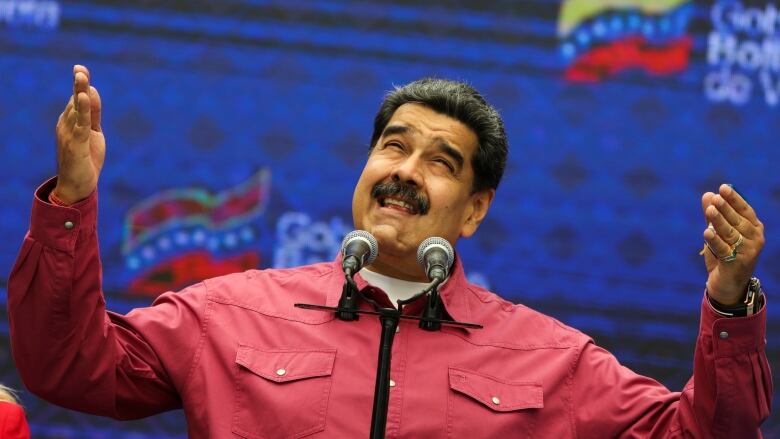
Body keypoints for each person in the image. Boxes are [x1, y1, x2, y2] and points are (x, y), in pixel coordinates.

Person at [7, 65, 771, 438]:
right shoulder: (231, 312)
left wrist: (730, 304)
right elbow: (68, 366)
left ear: (474, 211)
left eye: (441, 162)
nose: (406, 170)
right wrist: (72, 201)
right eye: (393, 148)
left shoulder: (555, 361)